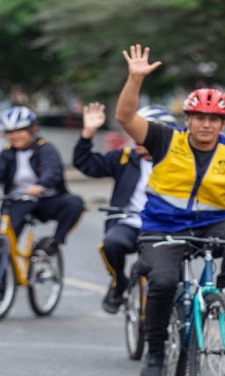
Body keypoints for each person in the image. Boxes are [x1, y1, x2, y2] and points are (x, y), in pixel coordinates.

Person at [115, 44, 225, 376]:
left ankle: (224, 292)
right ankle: (157, 348)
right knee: (164, 281)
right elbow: (125, 117)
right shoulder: (165, 140)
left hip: (210, 227)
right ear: (188, 119)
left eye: (214, 119)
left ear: (222, 124)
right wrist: (135, 79)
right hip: (162, 229)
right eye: (200, 118)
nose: (206, 125)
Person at [73, 102, 180, 314]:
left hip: (166, 227)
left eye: (143, 132)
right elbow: (86, 164)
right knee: (110, 244)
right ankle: (118, 283)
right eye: (133, 131)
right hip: (130, 222)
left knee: (171, 271)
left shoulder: (179, 162)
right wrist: (88, 133)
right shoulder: (124, 157)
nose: (137, 137)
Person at [0, 106, 85, 257]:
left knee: (74, 203)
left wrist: (41, 185)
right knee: (1, 240)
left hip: (45, 199)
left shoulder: (46, 148)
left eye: (20, 130)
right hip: (18, 201)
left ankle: (54, 243)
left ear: (33, 130)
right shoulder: (6, 153)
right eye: (10, 132)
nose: (15, 136)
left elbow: (52, 171)